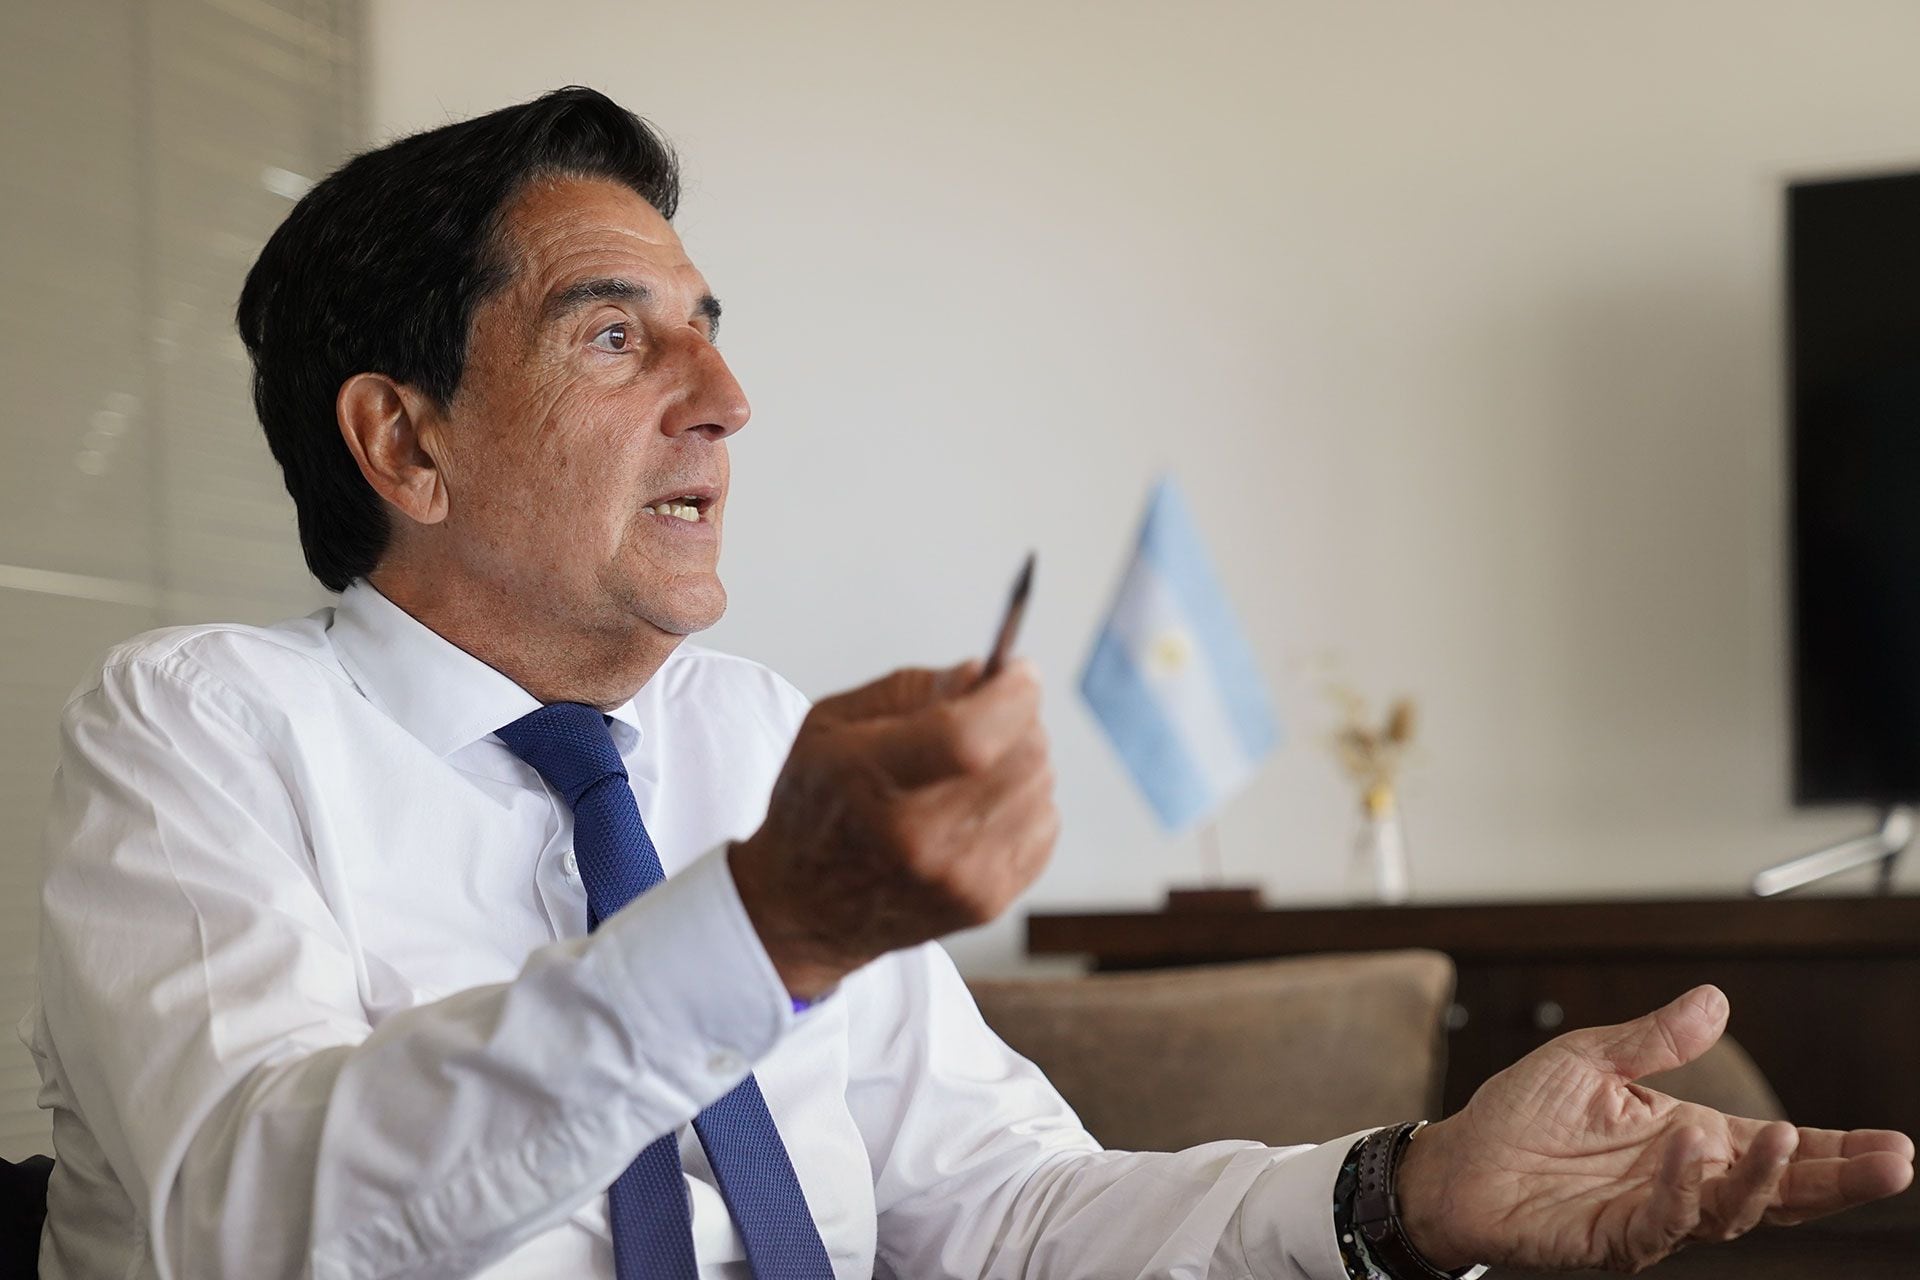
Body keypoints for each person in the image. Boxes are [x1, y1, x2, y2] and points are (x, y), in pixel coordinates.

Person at [24, 87, 1911, 1280]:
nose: (726, 399)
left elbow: (1001, 1212)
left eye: (710, 333)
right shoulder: (201, 725)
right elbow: (250, 1230)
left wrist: (1400, 1197)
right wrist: (767, 928)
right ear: (404, 443)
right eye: (615, 337)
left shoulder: (752, 737)